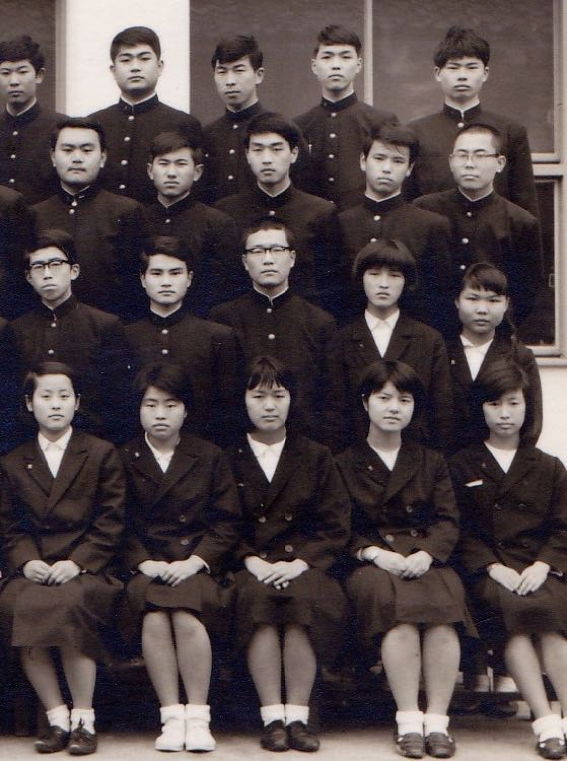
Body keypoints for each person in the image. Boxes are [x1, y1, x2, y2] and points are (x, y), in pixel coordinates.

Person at [336, 360, 472, 759]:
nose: (394, 407)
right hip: (372, 564)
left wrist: (428, 553)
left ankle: (438, 722)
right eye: (384, 398)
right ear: (366, 403)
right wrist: (373, 553)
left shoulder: (430, 461)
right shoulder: (343, 462)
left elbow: (448, 520)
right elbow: (337, 525)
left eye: (405, 399)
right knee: (400, 616)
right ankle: (409, 719)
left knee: (444, 611)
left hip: (425, 559)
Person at [225, 356, 349, 752]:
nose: (269, 406)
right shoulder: (227, 457)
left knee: (301, 601)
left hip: (304, 564)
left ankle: (297, 716)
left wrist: (301, 563)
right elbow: (221, 522)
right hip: (250, 564)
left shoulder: (315, 455)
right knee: (258, 600)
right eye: (258, 396)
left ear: (292, 399)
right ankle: (271, 718)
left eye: (278, 396)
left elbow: (334, 524)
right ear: (243, 400)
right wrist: (251, 560)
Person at [0, 361, 125, 755]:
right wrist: (26, 561)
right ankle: (56, 718)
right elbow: (9, 525)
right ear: (29, 403)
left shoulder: (100, 453)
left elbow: (111, 519)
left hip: (87, 569)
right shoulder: (13, 461)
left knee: (70, 604)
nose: (55, 404)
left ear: (77, 402)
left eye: (64, 396)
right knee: (19, 603)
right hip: (35, 568)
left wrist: (78, 562)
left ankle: (84, 719)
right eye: (46, 396)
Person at [120, 363, 240, 752]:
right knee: (155, 616)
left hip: (195, 565)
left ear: (186, 410)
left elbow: (226, 522)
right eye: (151, 404)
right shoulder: (123, 457)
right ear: (138, 409)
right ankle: (171, 716)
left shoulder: (208, 455)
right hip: (147, 567)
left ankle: (199, 717)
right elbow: (116, 522)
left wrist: (196, 561)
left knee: (187, 614)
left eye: (170, 405)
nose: (160, 414)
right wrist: (144, 562)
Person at [449, 362, 567, 760]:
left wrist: (543, 565)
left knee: (550, 621)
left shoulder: (549, 466)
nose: (504, 414)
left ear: (527, 407)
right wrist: (493, 567)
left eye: (513, 403)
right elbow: (459, 530)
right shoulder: (461, 465)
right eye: (494, 404)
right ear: (480, 408)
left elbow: (563, 527)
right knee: (514, 616)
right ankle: (545, 722)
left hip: (540, 570)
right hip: (489, 573)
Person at [210, 218, 338, 448]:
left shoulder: (320, 322)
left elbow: (330, 398)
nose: (268, 259)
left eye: (277, 250)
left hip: (304, 443)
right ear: (245, 261)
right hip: (240, 446)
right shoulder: (223, 319)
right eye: (258, 251)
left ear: (292, 258)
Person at [414, 123, 543, 331]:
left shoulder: (520, 222)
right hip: (432, 332)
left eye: (480, 155)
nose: (469, 164)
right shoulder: (423, 210)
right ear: (451, 162)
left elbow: (527, 290)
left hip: (492, 333)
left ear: (500, 163)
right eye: (462, 155)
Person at [8, 229, 132, 445]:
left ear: (74, 270)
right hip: (30, 445)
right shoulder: (16, 330)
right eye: (38, 267)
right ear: (29, 277)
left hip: (92, 442)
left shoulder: (105, 326)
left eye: (56, 264)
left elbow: (117, 398)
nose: (47, 273)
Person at [329, 240, 453, 452]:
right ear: (361, 278)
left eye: (394, 275)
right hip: (356, 459)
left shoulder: (429, 340)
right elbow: (334, 413)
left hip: (416, 457)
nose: (384, 284)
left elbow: (441, 413)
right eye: (374, 274)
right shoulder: (342, 340)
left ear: (406, 281)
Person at [215, 112, 342, 315]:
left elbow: (331, 286)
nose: (267, 159)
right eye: (258, 150)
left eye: (276, 149)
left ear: (293, 153)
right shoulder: (226, 213)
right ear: (247, 154)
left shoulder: (321, 212)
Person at [405, 26, 539, 218]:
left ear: (485, 73)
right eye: (453, 67)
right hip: (434, 234)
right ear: (437, 73)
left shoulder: (510, 131)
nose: (462, 75)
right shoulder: (416, 132)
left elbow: (525, 206)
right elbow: (407, 203)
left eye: (471, 67)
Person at [125, 236, 241, 446]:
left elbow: (227, 410)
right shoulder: (125, 336)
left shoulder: (217, 337)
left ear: (189, 278)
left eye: (175, 273)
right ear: (143, 279)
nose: (166, 282)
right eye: (156, 273)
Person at [338, 122, 452, 331]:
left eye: (398, 161)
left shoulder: (431, 226)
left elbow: (438, 298)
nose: (387, 168)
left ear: (409, 168)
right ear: (363, 161)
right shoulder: (340, 223)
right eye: (379, 158)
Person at [31, 117, 145, 320]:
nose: (77, 158)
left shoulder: (126, 212)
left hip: (110, 326)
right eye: (67, 150)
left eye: (86, 150)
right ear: (53, 157)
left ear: (102, 157)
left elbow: (135, 284)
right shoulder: (35, 215)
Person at [89, 26, 202, 204]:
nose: (135, 67)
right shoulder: (94, 123)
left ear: (159, 67)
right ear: (113, 70)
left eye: (144, 59)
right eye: (126, 60)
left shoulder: (184, 123)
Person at [294, 24, 397, 211]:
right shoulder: (299, 126)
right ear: (314, 66)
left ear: (358, 65)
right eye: (327, 57)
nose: (336, 65)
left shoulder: (381, 122)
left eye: (345, 57)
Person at [447, 262, 542, 452]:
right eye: (473, 298)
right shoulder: (439, 351)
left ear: (506, 304)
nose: (482, 309)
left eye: (493, 300)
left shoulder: (520, 356)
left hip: (499, 460)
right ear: (457, 301)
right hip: (446, 462)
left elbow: (532, 423)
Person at [143, 130, 241, 315]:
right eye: (163, 164)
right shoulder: (138, 220)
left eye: (181, 164)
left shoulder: (218, 223)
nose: (171, 173)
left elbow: (227, 286)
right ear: (150, 171)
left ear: (197, 172)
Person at [201, 35, 267, 203]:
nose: (230, 81)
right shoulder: (206, 135)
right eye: (222, 72)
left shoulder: (278, 130)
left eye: (239, 70)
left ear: (258, 75)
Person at [0, 35, 64, 204]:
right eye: (5, 73)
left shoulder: (61, 128)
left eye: (22, 72)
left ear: (39, 75)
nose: (14, 81)